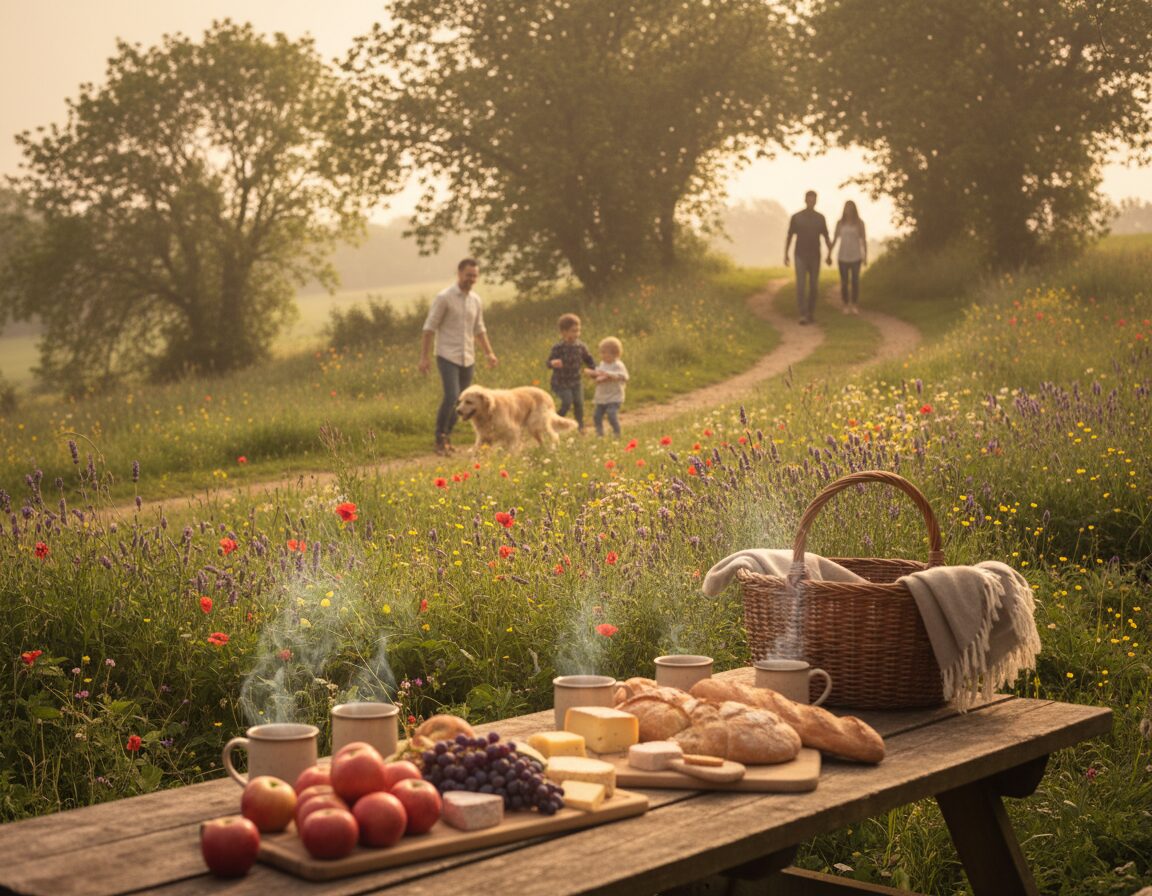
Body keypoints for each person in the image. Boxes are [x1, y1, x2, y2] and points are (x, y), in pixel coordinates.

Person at [418, 258, 498, 455]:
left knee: (462, 402)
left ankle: (447, 438)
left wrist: (489, 353)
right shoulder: (444, 297)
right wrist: (424, 357)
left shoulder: (475, 300)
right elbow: (429, 328)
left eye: (475, 276)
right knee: (453, 396)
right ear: (459, 273)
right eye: (468, 275)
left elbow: (479, 329)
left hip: (467, 357)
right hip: (447, 355)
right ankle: (440, 438)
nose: (471, 279)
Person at [784, 190, 832, 325]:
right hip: (800, 254)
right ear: (805, 200)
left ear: (816, 201)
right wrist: (786, 254)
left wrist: (829, 253)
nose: (811, 202)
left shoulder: (820, 218)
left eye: (813, 200)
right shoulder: (797, 217)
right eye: (809, 199)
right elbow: (790, 236)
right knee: (801, 285)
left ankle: (811, 312)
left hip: (815, 255)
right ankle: (802, 313)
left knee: (813, 286)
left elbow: (826, 237)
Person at [546, 313, 595, 432]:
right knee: (566, 402)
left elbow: (588, 359)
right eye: (573, 331)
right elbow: (548, 363)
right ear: (563, 332)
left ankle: (580, 426)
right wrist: (553, 363)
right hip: (560, 382)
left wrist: (594, 370)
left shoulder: (580, 346)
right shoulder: (558, 348)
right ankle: (555, 422)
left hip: (576, 381)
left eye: (578, 331)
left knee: (579, 403)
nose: (576, 334)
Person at [827, 200, 868, 314]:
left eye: (850, 208)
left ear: (854, 209)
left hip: (856, 256)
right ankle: (845, 304)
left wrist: (865, 255)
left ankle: (854, 304)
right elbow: (835, 239)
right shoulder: (840, 223)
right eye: (846, 207)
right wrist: (829, 253)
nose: (848, 210)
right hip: (842, 256)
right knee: (844, 282)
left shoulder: (859, 223)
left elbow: (863, 240)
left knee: (855, 281)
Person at [584, 336, 629, 437]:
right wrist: (593, 374)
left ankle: (617, 433)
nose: (602, 355)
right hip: (601, 397)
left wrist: (609, 375)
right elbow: (599, 375)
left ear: (615, 354)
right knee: (597, 416)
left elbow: (625, 377)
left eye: (605, 352)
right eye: (601, 352)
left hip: (614, 397)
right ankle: (599, 434)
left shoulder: (618, 365)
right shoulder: (602, 364)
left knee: (611, 414)